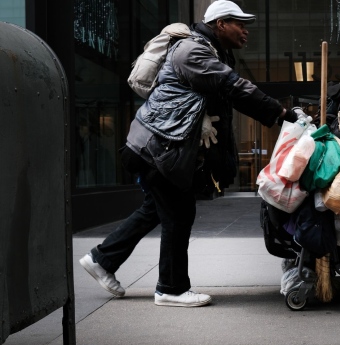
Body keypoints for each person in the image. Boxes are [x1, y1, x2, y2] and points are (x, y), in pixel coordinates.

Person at [79, 0, 302, 307]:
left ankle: (102, 259)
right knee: (178, 216)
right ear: (220, 24)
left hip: (157, 147)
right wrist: (281, 114)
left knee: (155, 210)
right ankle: (170, 288)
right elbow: (232, 87)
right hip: (158, 148)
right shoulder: (192, 50)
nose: (245, 31)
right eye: (240, 23)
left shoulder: (212, 52)